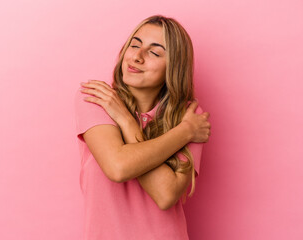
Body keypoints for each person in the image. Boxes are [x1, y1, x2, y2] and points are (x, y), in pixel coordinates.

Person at [75, 15, 211, 240]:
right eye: (134, 45)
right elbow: (118, 167)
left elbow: (166, 195)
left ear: (174, 67)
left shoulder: (189, 115)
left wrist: (126, 122)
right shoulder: (97, 99)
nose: (137, 57)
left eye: (154, 52)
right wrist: (185, 132)